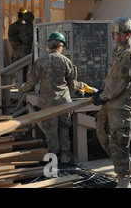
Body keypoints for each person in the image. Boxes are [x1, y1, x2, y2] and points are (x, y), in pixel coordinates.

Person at [92, 16, 131, 188]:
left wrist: (103, 96)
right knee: (100, 130)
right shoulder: (117, 51)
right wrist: (102, 90)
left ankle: (124, 178)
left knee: (118, 140)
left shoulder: (129, 54)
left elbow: (123, 83)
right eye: (116, 34)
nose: (118, 37)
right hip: (110, 100)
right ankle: (127, 164)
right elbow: (112, 78)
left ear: (129, 34)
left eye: (122, 34)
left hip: (122, 104)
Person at [20, 32, 86, 163]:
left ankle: (53, 158)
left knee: (51, 130)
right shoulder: (66, 61)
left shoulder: (40, 62)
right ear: (61, 46)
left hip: (47, 102)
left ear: (49, 46)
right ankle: (65, 155)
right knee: (64, 128)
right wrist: (81, 85)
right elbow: (73, 86)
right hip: (63, 101)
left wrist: (21, 87)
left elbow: (30, 84)